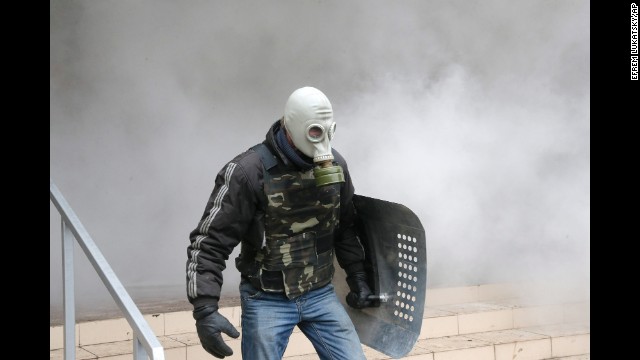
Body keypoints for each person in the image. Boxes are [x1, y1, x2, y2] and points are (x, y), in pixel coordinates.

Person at [186, 86, 375, 359]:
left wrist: (357, 276)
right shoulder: (248, 172)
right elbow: (209, 242)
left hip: (319, 293)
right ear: (291, 126)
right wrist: (205, 309)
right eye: (314, 132)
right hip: (267, 298)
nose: (322, 144)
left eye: (327, 131)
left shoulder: (336, 166)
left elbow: (343, 227)